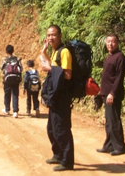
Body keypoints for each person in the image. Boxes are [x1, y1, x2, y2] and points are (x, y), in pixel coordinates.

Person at [40, 25, 74, 172]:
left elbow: (67, 74)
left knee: (62, 130)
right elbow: (53, 65)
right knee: (52, 129)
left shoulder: (64, 52)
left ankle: (67, 161)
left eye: (53, 35)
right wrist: (43, 51)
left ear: (60, 35)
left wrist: (49, 69)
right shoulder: (56, 52)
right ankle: (58, 154)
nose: (50, 38)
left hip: (62, 97)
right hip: (55, 96)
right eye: (48, 35)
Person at [96, 34, 125, 156]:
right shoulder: (109, 56)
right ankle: (109, 145)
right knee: (109, 121)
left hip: (113, 95)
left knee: (114, 120)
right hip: (105, 93)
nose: (110, 44)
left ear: (118, 43)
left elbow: (119, 78)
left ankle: (120, 147)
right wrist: (101, 91)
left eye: (113, 42)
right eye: (108, 42)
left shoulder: (120, 57)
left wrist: (112, 93)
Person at [0, 44, 22, 118]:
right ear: (13, 51)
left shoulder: (5, 59)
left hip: (7, 79)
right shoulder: (17, 59)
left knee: (7, 94)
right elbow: (21, 69)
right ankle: (15, 111)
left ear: (6, 51)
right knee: (15, 94)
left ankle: (7, 109)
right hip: (16, 79)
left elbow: (1, 67)